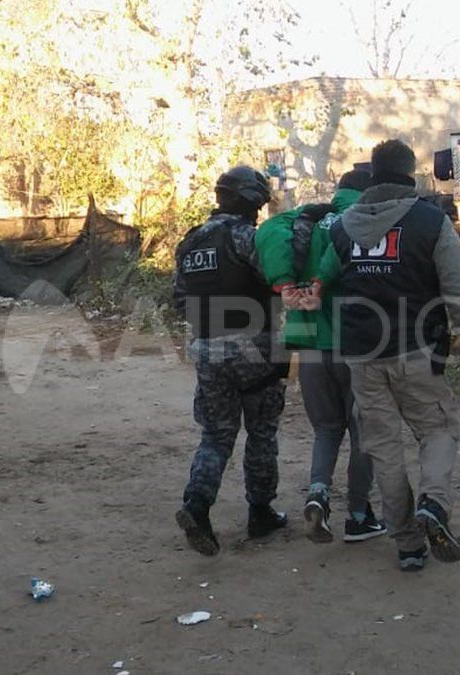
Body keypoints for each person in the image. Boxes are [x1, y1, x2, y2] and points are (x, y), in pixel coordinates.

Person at [314, 140, 460, 572]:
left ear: (373, 175)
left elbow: (323, 285)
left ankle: (409, 545)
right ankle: (433, 504)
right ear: (411, 174)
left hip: (361, 356)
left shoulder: (341, 227)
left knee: (384, 448)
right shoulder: (429, 222)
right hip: (417, 350)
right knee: (438, 429)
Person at [255, 169, 387, 544]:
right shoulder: (365, 219)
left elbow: (267, 231)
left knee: (327, 428)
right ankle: (360, 515)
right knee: (364, 433)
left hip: (310, 341)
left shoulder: (306, 219)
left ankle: (318, 494)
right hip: (357, 344)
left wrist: (282, 283)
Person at [172, 165, 289, 556]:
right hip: (255, 348)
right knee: (261, 431)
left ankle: (197, 505)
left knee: (216, 435)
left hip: (207, 349)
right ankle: (260, 512)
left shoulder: (189, 244)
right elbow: (278, 279)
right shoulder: (246, 238)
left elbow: (179, 300)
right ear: (251, 200)